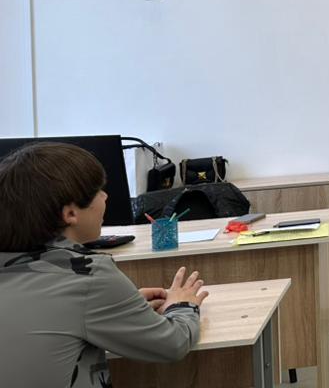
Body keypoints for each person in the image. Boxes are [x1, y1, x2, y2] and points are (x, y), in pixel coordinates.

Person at [0, 142, 209, 388]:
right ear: (70, 214)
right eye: (98, 191)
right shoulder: (87, 274)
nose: (106, 196)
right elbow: (172, 344)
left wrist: (121, 306)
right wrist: (182, 305)